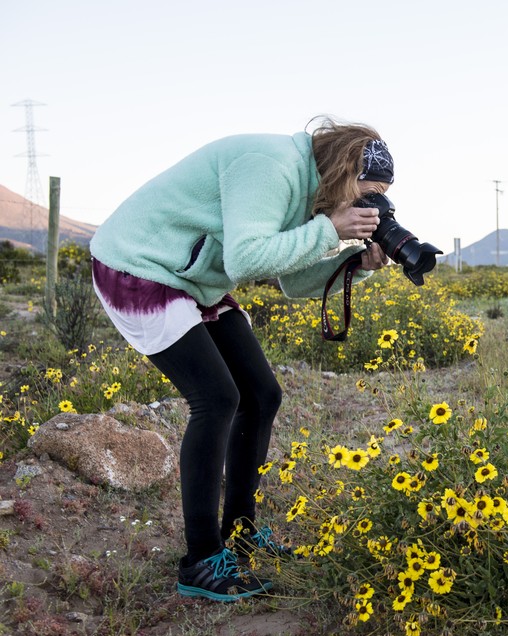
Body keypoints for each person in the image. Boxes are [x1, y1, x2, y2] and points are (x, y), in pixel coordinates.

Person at [89, 117, 392, 601]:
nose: (367, 208)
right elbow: (247, 260)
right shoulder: (270, 167)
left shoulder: (309, 192)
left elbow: (292, 280)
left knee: (261, 394)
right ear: (343, 171)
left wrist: (353, 259)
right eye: (365, 195)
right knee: (215, 399)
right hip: (138, 265)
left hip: (194, 279)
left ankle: (241, 535)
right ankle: (201, 561)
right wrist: (330, 228)